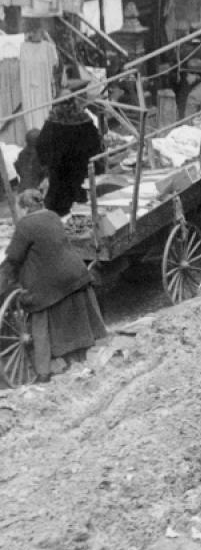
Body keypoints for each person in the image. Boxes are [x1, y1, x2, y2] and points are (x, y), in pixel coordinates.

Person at [0, 188, 107, 381]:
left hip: (50, 284)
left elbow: (14, 257)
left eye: (17, 208)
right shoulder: (52, 216)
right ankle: (78, 354)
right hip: (74, 273)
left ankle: (44, 371)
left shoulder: (25, 225)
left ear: (24, 208)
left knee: (37, 310)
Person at [37, 81, 103, 216]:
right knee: (79, 199)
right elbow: (95, 143)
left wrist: (48, 163)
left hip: (59, 170)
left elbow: (41, 145)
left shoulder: (52, 122)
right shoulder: (83, 118)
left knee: (60, 201)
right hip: (79, 168)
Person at [15, 128, 45, 192]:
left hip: (23, 190)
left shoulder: (21, 154)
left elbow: (19, 170)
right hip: (36, 190)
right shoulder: (41, 154)